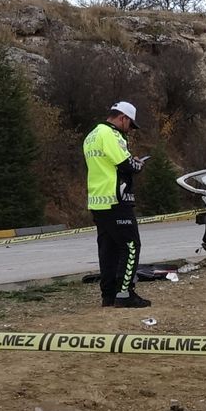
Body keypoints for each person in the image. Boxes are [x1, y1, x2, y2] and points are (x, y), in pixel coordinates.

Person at [83, 101, 151, 307]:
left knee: (108, 249)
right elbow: (126, 164)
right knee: (130, 246)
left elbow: (109, 163)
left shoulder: (91, 135)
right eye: (130, 126)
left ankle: (108, 295)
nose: (130, 131)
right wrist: (138, 164)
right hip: (116, 199)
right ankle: (125, 293)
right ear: (123, 118)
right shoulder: (111, 135)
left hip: (98, 200)